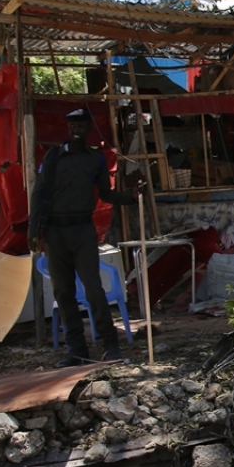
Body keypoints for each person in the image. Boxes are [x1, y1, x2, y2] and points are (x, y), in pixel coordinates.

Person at [29, 108, 143, 367]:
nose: (76, 130)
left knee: (93, 289)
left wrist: (130, 196)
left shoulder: (96, 159)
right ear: (68, 129)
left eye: (81, 126)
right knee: (64, 292)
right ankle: (76, 351)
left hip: (82, 230)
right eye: (72, 126)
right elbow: (39, 193)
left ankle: (110, 345)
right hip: (55, 231)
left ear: (89, 129)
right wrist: (33, 231)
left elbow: (106, 194)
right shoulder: (54, 156)